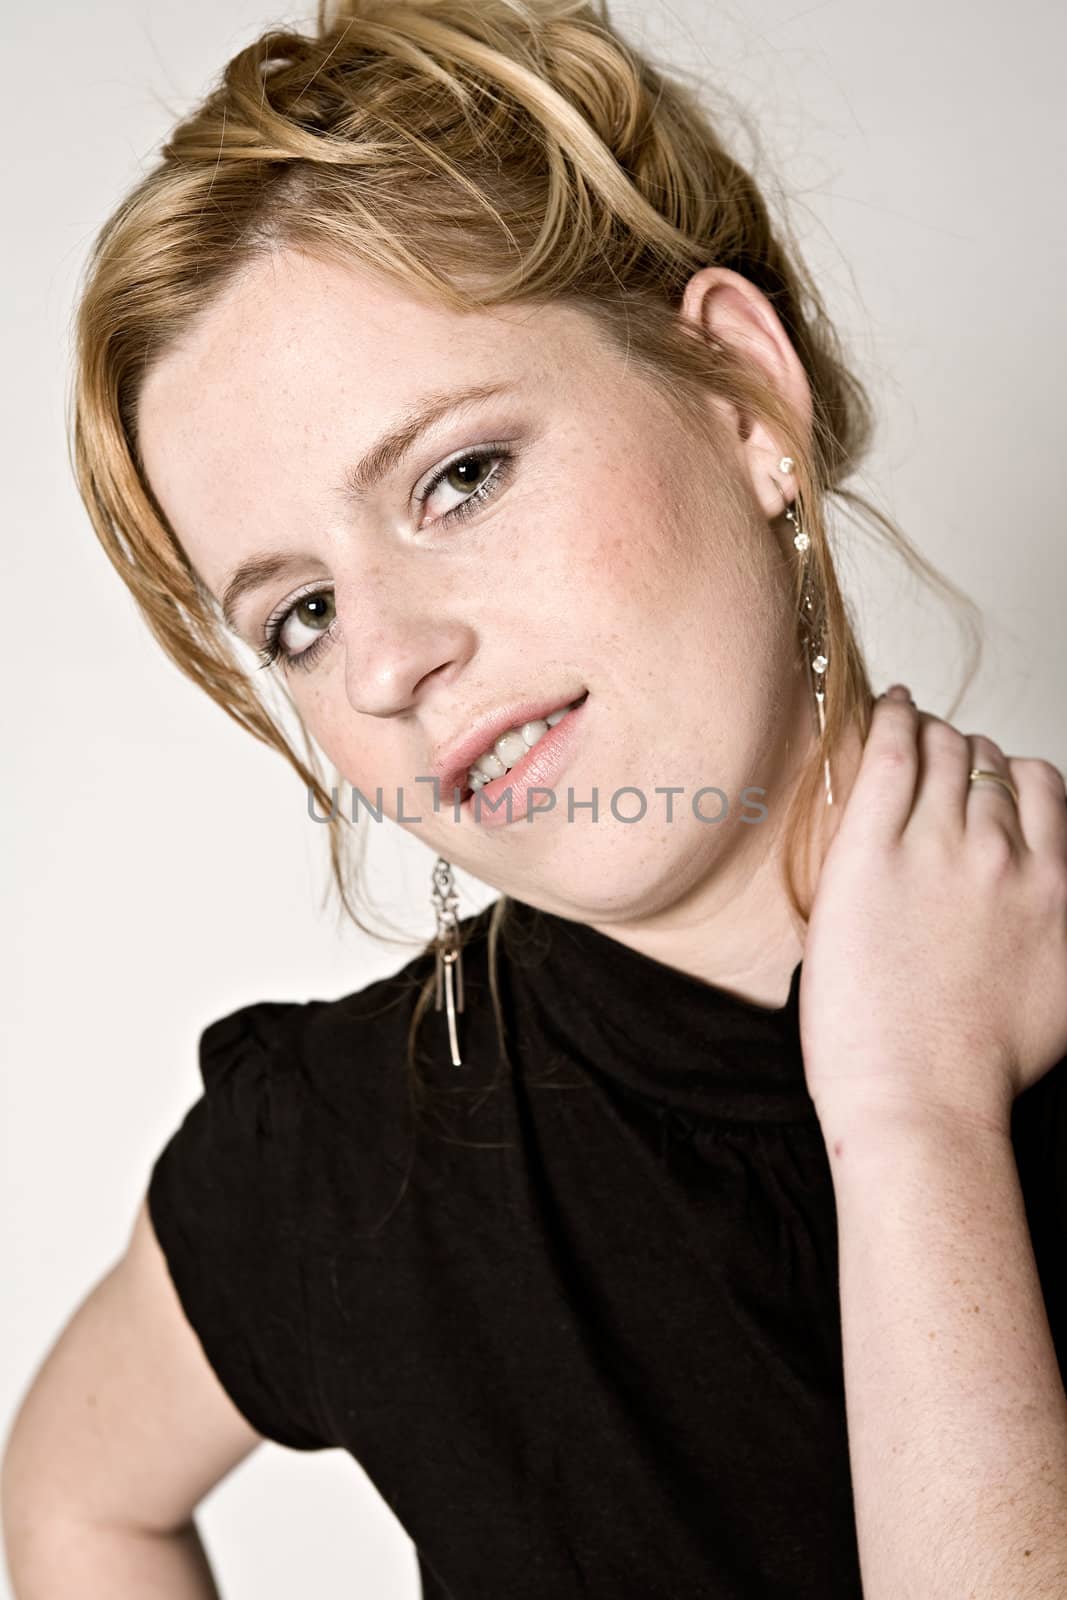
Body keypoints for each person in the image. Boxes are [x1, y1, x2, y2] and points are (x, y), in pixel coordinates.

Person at [3, 1, 1067, 1595]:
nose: (388, 664)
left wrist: (921, 1125)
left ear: (741, 393)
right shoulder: (350, 1152)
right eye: (301, 613)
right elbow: (73, 1502)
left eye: (458, 477)